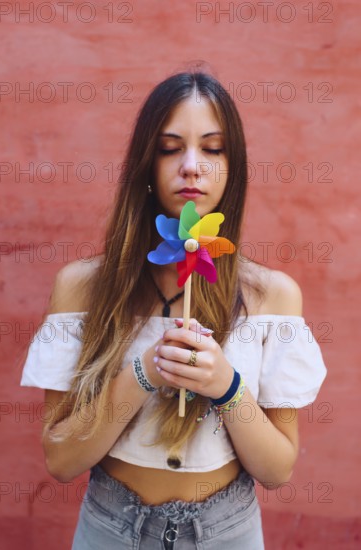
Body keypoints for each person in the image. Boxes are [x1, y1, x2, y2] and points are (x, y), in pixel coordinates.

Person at [20, 71, 327, 549]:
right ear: (146, 162)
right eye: (169, 147)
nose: (191, 166)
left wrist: (225, 386)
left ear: (234, 165)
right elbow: (60, 461)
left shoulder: (272, 297)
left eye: (212, 148)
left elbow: (277, 470)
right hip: (111, 529)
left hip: (227, 532)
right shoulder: (82, 288)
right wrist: (145, 373)